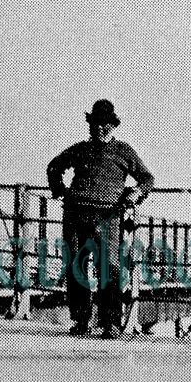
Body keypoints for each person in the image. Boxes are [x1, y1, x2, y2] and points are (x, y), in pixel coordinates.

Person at [47, 99, 155, 339]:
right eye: (96, 123)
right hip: (75, 214)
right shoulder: (80, 149)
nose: (99, 128)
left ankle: (111, 323)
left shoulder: (124, 151)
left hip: (108, 217)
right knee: (76, 268)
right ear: (90, 125)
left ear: (113, 126)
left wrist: (136, 194)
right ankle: (81, 320)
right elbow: (54, 167)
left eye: (105, 124)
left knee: (109, 269)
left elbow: (147, 179)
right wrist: (60, 191)